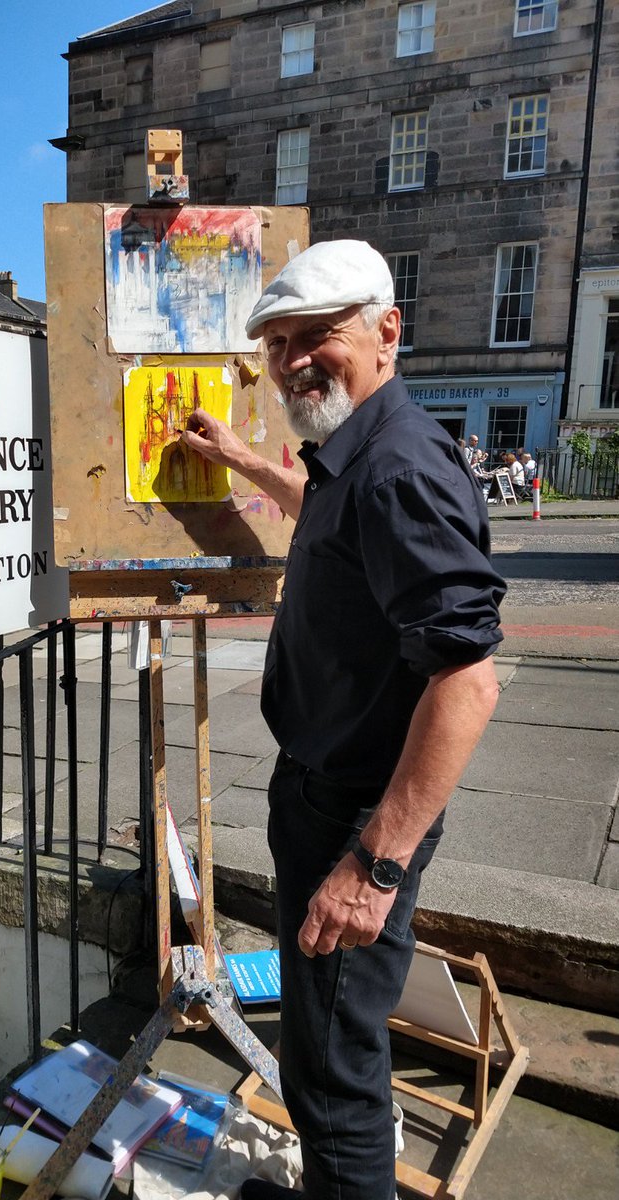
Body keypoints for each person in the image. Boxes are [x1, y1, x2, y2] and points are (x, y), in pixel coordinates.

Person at [180, 240, 504, 1200]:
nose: (290, 362)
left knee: (333, 1073)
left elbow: (467, 683)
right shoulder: (355, 452)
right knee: (322, 1044)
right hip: (325, 797)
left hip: (356, 819)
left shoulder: (399, 467)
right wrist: (243, 461)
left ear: (386, 331)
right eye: (277, 344)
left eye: (315, 336)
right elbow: (327, 506)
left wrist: (372, 867)